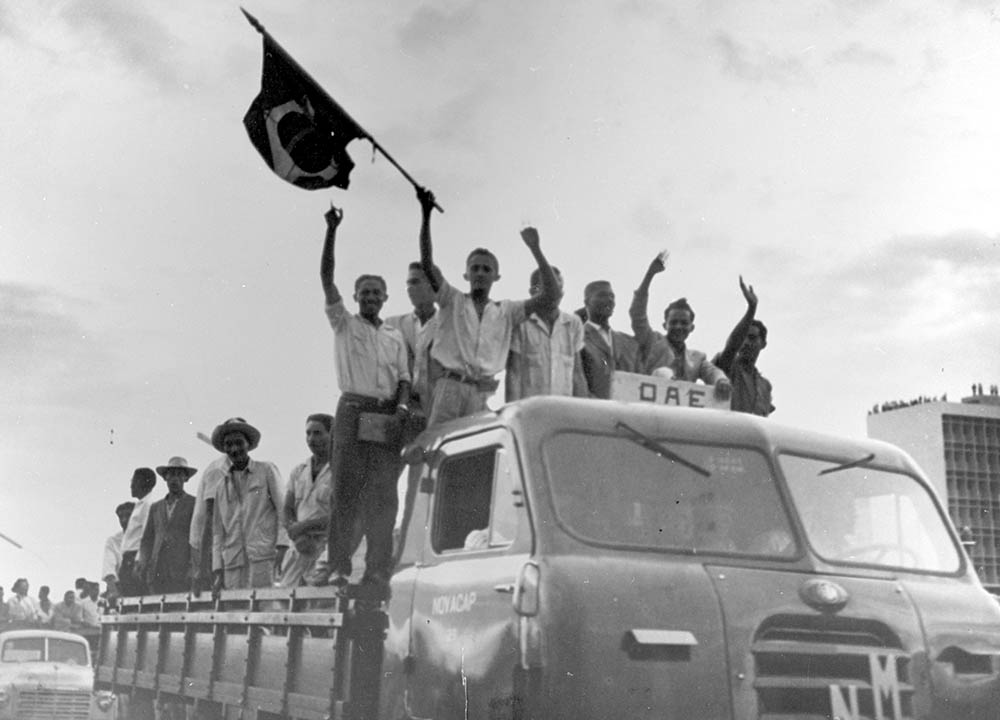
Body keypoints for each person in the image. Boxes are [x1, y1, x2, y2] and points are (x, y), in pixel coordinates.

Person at [320, 204, 410, 590]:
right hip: (353, 410)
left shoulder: (393, 335)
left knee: (383, 495)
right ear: (356, 296)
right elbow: (326, 278)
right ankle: (338, 566)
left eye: (377, 292)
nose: (370, 297)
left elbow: (404, 377)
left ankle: (377, 568)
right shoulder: (344, 324)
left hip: (385, 415)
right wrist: (331, 231)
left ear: (385, 297)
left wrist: (403, 406)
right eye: (364, 292)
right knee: (346, 492)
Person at [417, 187, 561, 425]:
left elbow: (551, 296)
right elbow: (426, 263)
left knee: (474, 456)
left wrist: (535, 249)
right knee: (439, 449)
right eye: (475, 268)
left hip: (483, 393)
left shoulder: (507, 311)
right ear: (466, 274)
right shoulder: (451, 300)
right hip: (449, 388)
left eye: (486, 269)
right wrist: (426, 215)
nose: (480, 273)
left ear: (496, 276)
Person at [629, 252, 730, 394]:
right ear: (665, 325)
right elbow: (637, 314)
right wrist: (650, 275)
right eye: (674, 322)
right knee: (663, 372)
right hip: (649, 409)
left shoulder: (697, 358)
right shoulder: (652, 341)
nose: (678, 327)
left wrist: (721, 381)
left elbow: (713, 372)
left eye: (684, 323)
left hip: (680, 414)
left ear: (692, 327)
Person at [210, 417, 288, 591]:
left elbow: (284, 511)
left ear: (248, 444)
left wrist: (283, 547)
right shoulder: (221, 486)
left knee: (264, 608)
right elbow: (217, 532)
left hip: (262, 557)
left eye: (239, 443)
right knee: (235, 611)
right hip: (232, 563)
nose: (234, 449)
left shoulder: (266, 470)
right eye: (228, 445)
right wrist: (217, 569)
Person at [506, 266, 587, 401]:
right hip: (532, 411)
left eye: (559, 288)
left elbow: (577, 374)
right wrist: (513, 412)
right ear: (533, 292)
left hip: (564, 411)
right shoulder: (521, 324)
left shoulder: (573, 323)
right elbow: (514, 373)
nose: (555, 293)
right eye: (549, 287)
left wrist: (585, 413)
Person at [280, 414, 335, 587]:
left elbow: (342, 514)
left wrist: (304, 527)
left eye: (318, 433)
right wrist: (294, 532)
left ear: (332, 435)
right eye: (308, 433)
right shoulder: (299, 470)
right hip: (297, 548)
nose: (312, 439)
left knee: (319, 604)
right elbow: (287, 508)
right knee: (284, 602)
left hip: (325, 549)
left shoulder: (341, 471)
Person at [712, 277, 774, 417]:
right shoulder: (729, 368)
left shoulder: (765, 386)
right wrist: (751, 309)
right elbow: (731, 347)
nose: (745, 343)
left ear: (763, 344)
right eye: (743, 338)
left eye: (752, 338)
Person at [385, 262, 439, 421]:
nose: (409, 288)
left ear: (431, 285)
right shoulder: (392, 324)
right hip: (402, 410)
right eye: (408, 283)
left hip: (438, 409)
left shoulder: (450, 325)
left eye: (415, 282)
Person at [139, 457, 197, 594]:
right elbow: (147, 538)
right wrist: (143, 562)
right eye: (170, 474)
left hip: (181, 572)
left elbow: (198, 539)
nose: (174, 479)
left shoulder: (194, 504)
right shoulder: (156, 507)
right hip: (157, 571)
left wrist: (193, 568)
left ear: (186, 478)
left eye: (179, 474)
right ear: (165, 478)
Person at [578, 280, 640, 399]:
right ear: (587, 302)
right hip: (590, 411)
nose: (610, 300)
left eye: (612, 296)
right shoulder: (577, 337)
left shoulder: (629, 343)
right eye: (602, 295)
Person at [189, 454, 231, 593]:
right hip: (207, 548)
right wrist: (202, 569)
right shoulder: (219, 470)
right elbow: (211, 518)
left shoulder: (234, 469)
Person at [118, 467, 157, 596]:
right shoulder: (140, 505)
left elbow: (146, 535)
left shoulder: (147, 505)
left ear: (143, 482)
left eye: (134, 481)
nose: (131, 485)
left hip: (134, 559)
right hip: (128, 558)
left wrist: (139, 562)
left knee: (133, 595)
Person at [102, 501, 135, 603]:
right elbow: (109, 569)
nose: (124, 520)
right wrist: (113, 590)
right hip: (121, 588)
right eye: (121, 517)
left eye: (128, 516)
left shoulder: (146, 538)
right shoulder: (113, 541)